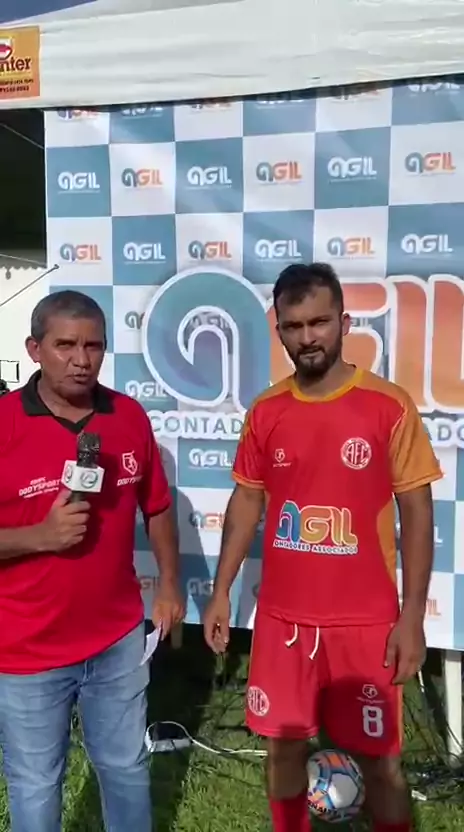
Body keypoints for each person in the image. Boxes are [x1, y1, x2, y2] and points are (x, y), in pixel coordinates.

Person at [203, 263, 442, 832]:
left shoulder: (389, 405)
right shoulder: (267, 410)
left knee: (381, 765)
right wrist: (220, 591)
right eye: (293, 326)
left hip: (365, 623)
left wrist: (411, 617)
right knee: (283, 750)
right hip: (283, 622)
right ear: (279, 331)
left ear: (344, 323)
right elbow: (246, 501)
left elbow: (417, 511)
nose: (307, 337)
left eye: (319, 322)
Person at [0, 290, 185, 832]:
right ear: (34, 349)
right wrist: (40, 536)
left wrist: (170, 585)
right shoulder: (4, 425)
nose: (81, 360)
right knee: (37, 785)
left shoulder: (127, 416)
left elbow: (157, 506)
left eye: (94, 346)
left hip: (117, 640)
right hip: (27, 650)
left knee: (126, 768)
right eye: (65, 345)